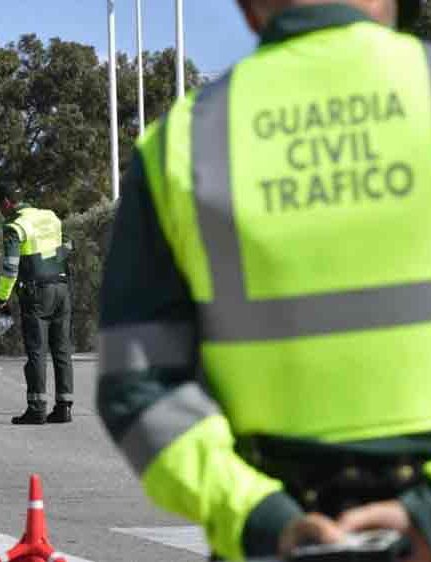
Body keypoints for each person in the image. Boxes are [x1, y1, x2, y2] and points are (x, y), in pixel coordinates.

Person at [96, 1, 431, 561]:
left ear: (248, 8)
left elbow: (137, 388)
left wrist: (258, 516)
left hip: (277, 534)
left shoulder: (183, 143)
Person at [0, 185, 74, 425]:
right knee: (61, 349)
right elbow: (68, 246)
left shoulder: (14, 227)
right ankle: (64, 407)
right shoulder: (50, 216)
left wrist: (2, 298)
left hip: (37, 293)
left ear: (6, 203)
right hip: (61, 288)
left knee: (37, 350)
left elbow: (10, 267)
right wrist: (52, 264)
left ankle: (37, 408)